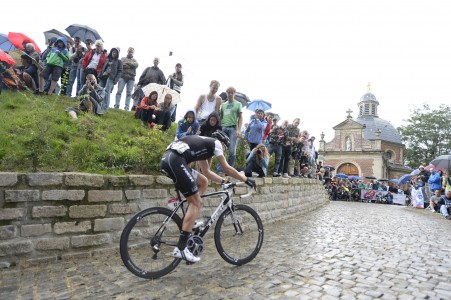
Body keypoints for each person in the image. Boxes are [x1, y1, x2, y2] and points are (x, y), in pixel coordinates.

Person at [160, 130, 256, 262]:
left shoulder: (203, 144)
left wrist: (225, 182)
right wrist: (245, 180)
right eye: (224, 149)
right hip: (176, 161)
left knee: (203, 182)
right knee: (197, 203)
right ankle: (181, 249)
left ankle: (190, 218)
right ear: (223, 143)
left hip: (169, 159)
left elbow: (207, 173)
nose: (222, 152)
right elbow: (227, 168)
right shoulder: (215, 143)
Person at [218, 86, 243, 173]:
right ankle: (220, 170)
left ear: (234, 94)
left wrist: (239, 130)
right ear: (227, 93)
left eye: (232, 92)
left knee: (232, 151)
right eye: (229, 92)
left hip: (233, 128)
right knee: (221, 149)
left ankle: (228, 170)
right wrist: (218, 129)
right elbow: (220, 117)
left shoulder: (238, 104)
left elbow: (240, 117)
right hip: (223, 128)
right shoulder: (223, 105)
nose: (230, 94)